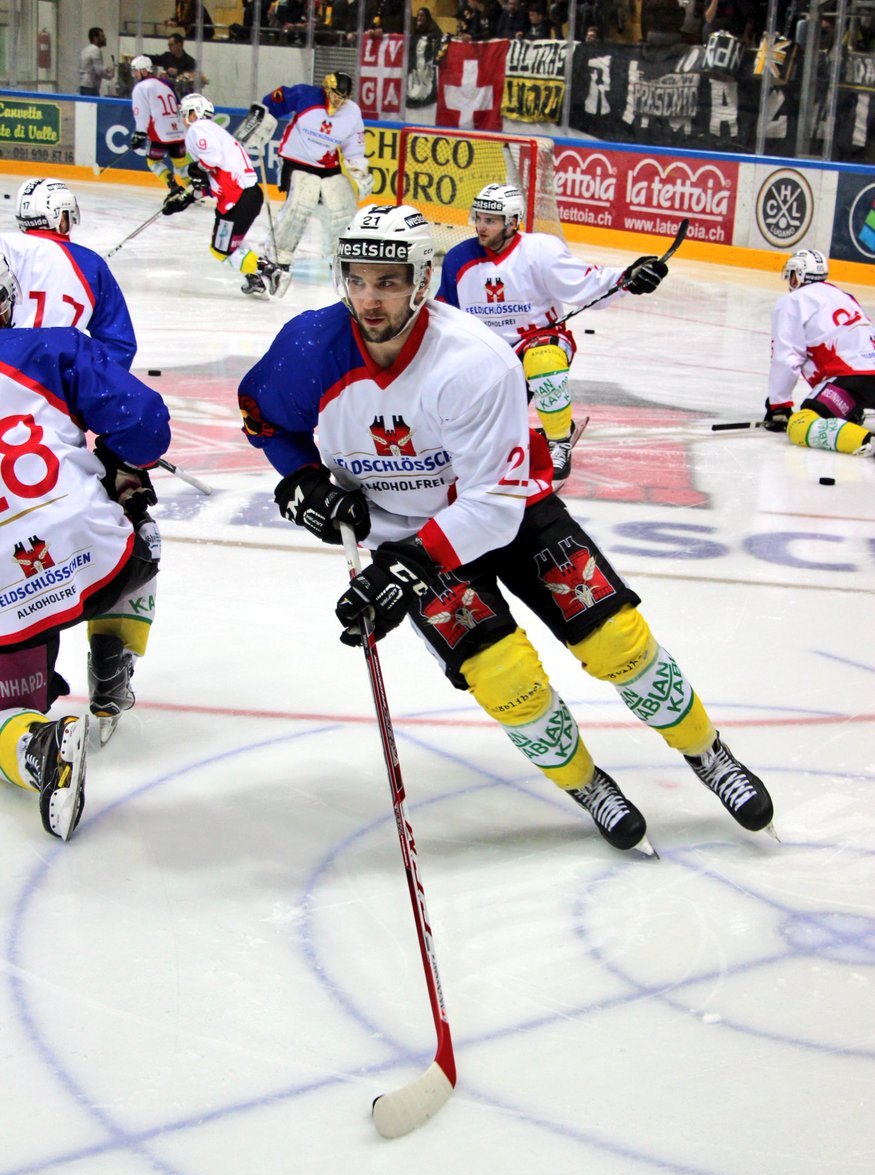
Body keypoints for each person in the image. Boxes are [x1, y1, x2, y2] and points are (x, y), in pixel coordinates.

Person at [238, 204, 775, 856]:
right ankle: (586, 785)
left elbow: (493, 505)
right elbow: (266, 421)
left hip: (512, 516)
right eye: (356, 279)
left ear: (422, 280)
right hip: (406, 535)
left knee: (616, 641)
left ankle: (707, 753)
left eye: (388, 281)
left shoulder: (474, 359)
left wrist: (404, 565)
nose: (369, 298)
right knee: (503, 678)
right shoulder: (308, 350)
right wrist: (303, 479)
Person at [0, 253, 170, 837]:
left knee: (9, 711)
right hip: (94, 559)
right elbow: (144, 423)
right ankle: (112, 657)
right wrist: (120, 461)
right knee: (135, 517)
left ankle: (38, 744)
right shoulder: (52, 346)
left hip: (6, 609)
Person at [436, 183, 667, 487]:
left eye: (490, 220)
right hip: (487, 356)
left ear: (512, 222)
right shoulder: (458, 258)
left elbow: (585, 283)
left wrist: (629, 277)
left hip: (537, 342)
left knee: (543, 360)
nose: (481, 226)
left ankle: (559, 441)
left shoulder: (540, 251)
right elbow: (445, 314)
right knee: (477, 434)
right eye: (479, 218)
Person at [0, 177, 137, 369]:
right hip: (58, 379)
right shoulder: (91, 263)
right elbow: (119, 345)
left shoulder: (4, 245)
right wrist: (83, 379)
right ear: (61, 217)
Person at [261, 72, 374, 296]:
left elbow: (353, 144)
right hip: (296, 160)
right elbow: (273, 101)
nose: (338, 100)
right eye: (335, 94)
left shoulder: (352, 112)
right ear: (326, 89)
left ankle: (341, 258)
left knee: (343, 208)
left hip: (327, 165)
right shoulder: (305, 95)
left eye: (343, 97)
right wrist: (263, 118)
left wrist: (359, 170)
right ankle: (277, 258)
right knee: (299, 206)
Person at [165, 92, 282, 297]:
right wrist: (186, 198)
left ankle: (267, 269)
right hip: (248, 197)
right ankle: (253, 279)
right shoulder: (214, 132)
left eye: (186, 113)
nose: (184, 118)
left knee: (220, 249)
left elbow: (212, 159)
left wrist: (197, 169)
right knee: (232, 243)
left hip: (238, 200)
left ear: (195, 113)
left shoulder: (198, 128)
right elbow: (215, 182)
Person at [763, 249, 875, 457]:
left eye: (792, 274)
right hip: (864, 377)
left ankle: (867, 441)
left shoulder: (793, 301)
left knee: (799, 425)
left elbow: (786, 357)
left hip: (849, 382)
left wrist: (779, 406)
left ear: (799, 275)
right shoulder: (843, 295)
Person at [129, 56, 188, 198]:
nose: (135, 75)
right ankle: (193, 190)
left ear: (144, 70)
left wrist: (140, 133)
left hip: (159, 133)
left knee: (153, 161)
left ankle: (173, 186)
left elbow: (141, 112)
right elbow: (178, 105)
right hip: (178, 130)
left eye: (136, 71)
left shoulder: (141, 88)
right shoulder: (165, 84)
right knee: (180, 162)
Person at [79, 27, 114, 97]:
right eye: (102, 36)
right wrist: (110, 74)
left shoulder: (86, 49)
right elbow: (99, 70)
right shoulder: (95, 50)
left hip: (84, 85)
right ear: (95, 38)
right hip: (90, 86)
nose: (105, 38)